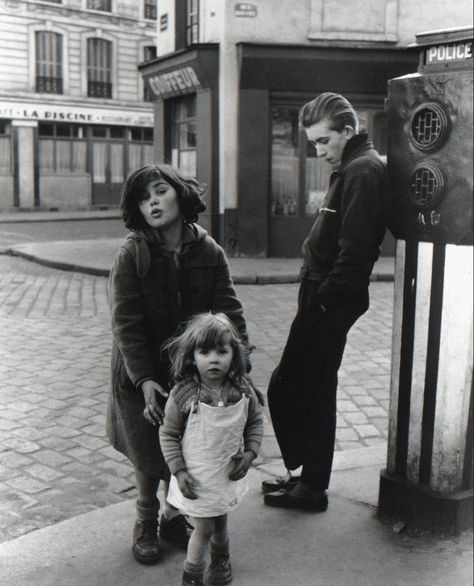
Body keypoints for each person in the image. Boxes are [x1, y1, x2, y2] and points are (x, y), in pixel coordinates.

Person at [107, 164, 250, 565]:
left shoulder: (209, 252)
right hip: (140, 371)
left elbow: (230, 314)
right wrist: (144, 380)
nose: (152, 201)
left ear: (180, 194)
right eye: (143, 197)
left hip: (191, 372)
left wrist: (241, 365)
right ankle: (146, 520)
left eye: (159, 191)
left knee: (185, 445)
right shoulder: (132, 253)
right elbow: (126, 323)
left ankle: (173, 516)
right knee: (147, 451)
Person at [262, 92, 389, 511]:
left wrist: (323, 301)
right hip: (320, 293)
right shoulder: (352, 166)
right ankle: (306, 477)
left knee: (299, 387)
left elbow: (356, 254)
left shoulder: (362, 170)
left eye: (323, 141)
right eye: (314, 143)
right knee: (301, 386)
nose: (318, 152)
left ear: (348, 132)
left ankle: (312, 487)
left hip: (328, 297)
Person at [159, 313, 263, 586]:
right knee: (203, 525)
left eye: (222, 351)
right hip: (196, 476)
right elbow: (168, 434)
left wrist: (250, 453)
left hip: (226, 472)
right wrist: (178, 471)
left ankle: (221, 558)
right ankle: (192, 574)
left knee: (221, 519)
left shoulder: (241, 390)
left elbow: (254, 422)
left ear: (234, 355)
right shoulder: (184, 394)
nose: (214, 359)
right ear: (193, 357)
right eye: (205, 352)